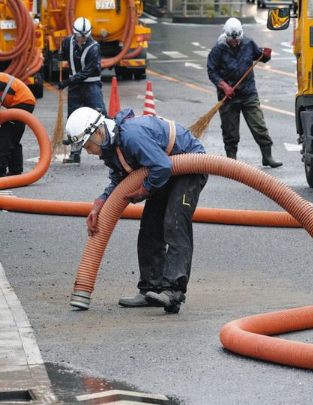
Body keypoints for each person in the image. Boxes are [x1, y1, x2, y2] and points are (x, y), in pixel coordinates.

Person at [64, 106, 207, 314]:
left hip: (189, 166)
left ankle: (173, 292)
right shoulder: (111, 148)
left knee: (174, 223)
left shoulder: (131, 134)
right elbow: (120, 179)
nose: (88, 152)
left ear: (97, 132)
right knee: (150, 228)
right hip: (162, 170)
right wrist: (102, 202)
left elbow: (162, 166)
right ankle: (151, 288)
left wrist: (145, 190)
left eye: (86, 145)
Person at [206, 17, 282, 168]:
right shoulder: (217, 50)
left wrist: (265, 55)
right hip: (228, 97)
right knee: (230, 130)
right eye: (231, 40)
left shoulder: (247, 43)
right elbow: (212, 71)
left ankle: (267, 157)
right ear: (226, 36)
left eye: (237, 39)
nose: (235, 42)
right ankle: (231, 160)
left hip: (248, 93)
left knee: (259, 125)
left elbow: (260, 56)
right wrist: (223, 86)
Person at [58, 17, 106, 164]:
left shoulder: (94, 47)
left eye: (85, 36)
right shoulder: (67, 42)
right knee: (73, 119)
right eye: (80, 36)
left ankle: (109, 149)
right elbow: (63, 53)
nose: (83, 39)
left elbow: (87, 72)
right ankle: (75, 153)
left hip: (91, 86)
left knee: (101, 115)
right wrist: (59, 55)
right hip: (75, 88)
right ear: (74, 34)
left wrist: (67, 81)